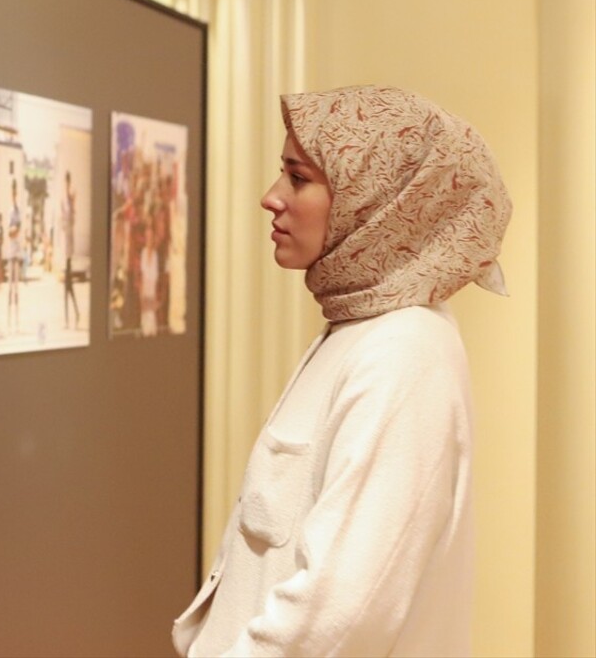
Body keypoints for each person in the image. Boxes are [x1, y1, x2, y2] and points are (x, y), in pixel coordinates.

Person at [173, 85, 512, 656]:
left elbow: (342, 610)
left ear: (378, 199)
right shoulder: (361, 327)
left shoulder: (403, 353)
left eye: (298, 178)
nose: (270, 198)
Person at [60, 170, 80, 329]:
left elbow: (72, 220)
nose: (66, 185)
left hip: (69, 243)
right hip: (65, 242)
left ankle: (70, 317)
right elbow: (62, 220)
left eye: (68, 182)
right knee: (67, 287)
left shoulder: (71, 201)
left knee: (67, 286)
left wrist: (72, 206)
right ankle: (72, 315)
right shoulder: (64, 201)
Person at [6, 176, 22, 332]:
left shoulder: (18, 211)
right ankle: (8, 319)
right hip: (11, 253)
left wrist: (15, 229)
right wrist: (14, 229)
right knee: (10, 287)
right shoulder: (10, 211)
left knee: (16, 288)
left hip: (16, 252)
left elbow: (18, 229)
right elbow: (10, 232)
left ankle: (15, 320)